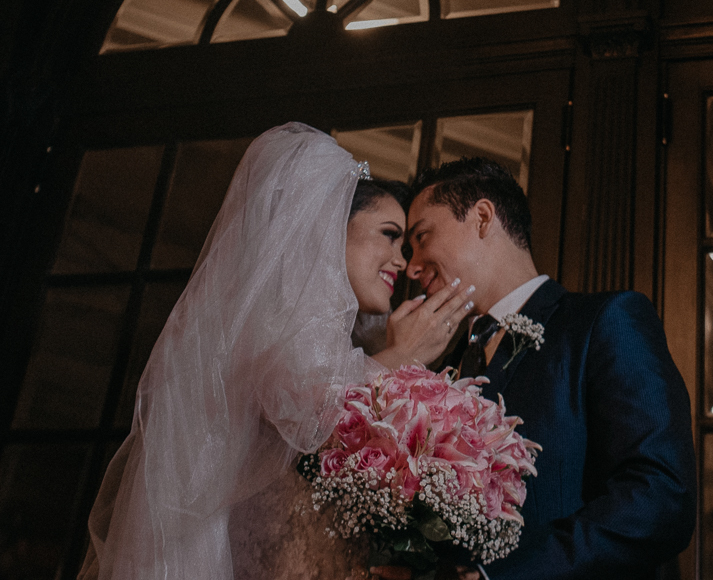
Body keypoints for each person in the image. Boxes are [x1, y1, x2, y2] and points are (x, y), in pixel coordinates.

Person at [79, 123, 475, 580]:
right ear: (326, 229)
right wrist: (401, 356)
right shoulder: (272, 322)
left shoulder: (326, 340)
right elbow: (311, 411)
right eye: (389, 235)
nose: (402, 261)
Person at [400, 157, 697, 580]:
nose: (412, 265)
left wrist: (498, 576)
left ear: (483, 217)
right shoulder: (443, 368)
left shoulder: (605, 322)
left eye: (422, 237)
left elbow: (662, 497)